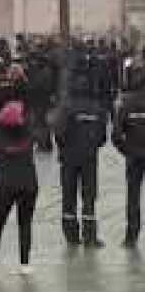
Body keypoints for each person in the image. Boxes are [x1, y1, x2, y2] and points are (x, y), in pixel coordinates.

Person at [0, 100, 38, 275]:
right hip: (28, 184)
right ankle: (25, 263)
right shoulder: (29, 133)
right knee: (25, 224)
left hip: (5, 185)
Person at [55, 72, 109, 247]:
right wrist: (92, 146)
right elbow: (102, 137)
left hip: (69, 158)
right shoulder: (98, 109)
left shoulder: (66, 108)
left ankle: (71, 236)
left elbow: (59, 133)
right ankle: (90, 235)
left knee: (68, 195)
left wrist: (65, 148)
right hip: (89, 158)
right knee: (89, 196)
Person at [112, 59, 145, 248]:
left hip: (134, 156)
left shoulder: (126, 102)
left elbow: (116, 134)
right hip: (134, 153)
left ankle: (131, 235)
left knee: (133, 195)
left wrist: (127, 151)